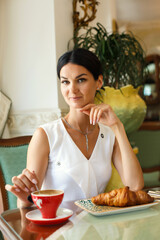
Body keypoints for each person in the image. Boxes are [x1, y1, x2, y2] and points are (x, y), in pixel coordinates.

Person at [5, 48, 144, 211]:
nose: (72, 89)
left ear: (99, 82)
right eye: (65, 81)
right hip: (60, 231)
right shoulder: (45, 135)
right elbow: (29, 202)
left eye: (81, 80)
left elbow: (135, 186)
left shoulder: (109, 134)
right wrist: (25, 199)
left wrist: (118, 126)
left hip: (101, 229)